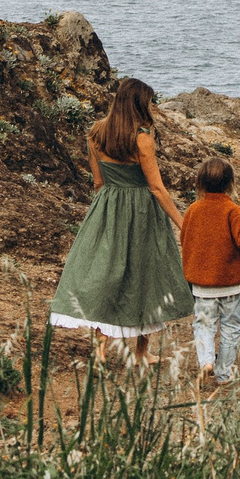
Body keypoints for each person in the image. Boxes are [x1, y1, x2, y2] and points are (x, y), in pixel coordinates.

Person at [47, 77, 191, 365]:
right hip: (141, 211)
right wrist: (184, 223)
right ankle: (141, 352)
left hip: (108, 207)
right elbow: (157, 188)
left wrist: (104, 213)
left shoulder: (96, 133)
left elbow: (98, 183)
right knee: (147, 275)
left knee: (107, 275)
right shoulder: (142, 137)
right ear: (140, 104)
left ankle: (100, 349)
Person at [178, 156, 240, 386]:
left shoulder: (192, 210)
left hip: (202, 285)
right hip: (230, 284)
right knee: (230, 327)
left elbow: (184, 239)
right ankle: (223, 373)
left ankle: (206, 361)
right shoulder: (233, 210)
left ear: (200, 183)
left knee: (203, 325)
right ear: (230, 184)